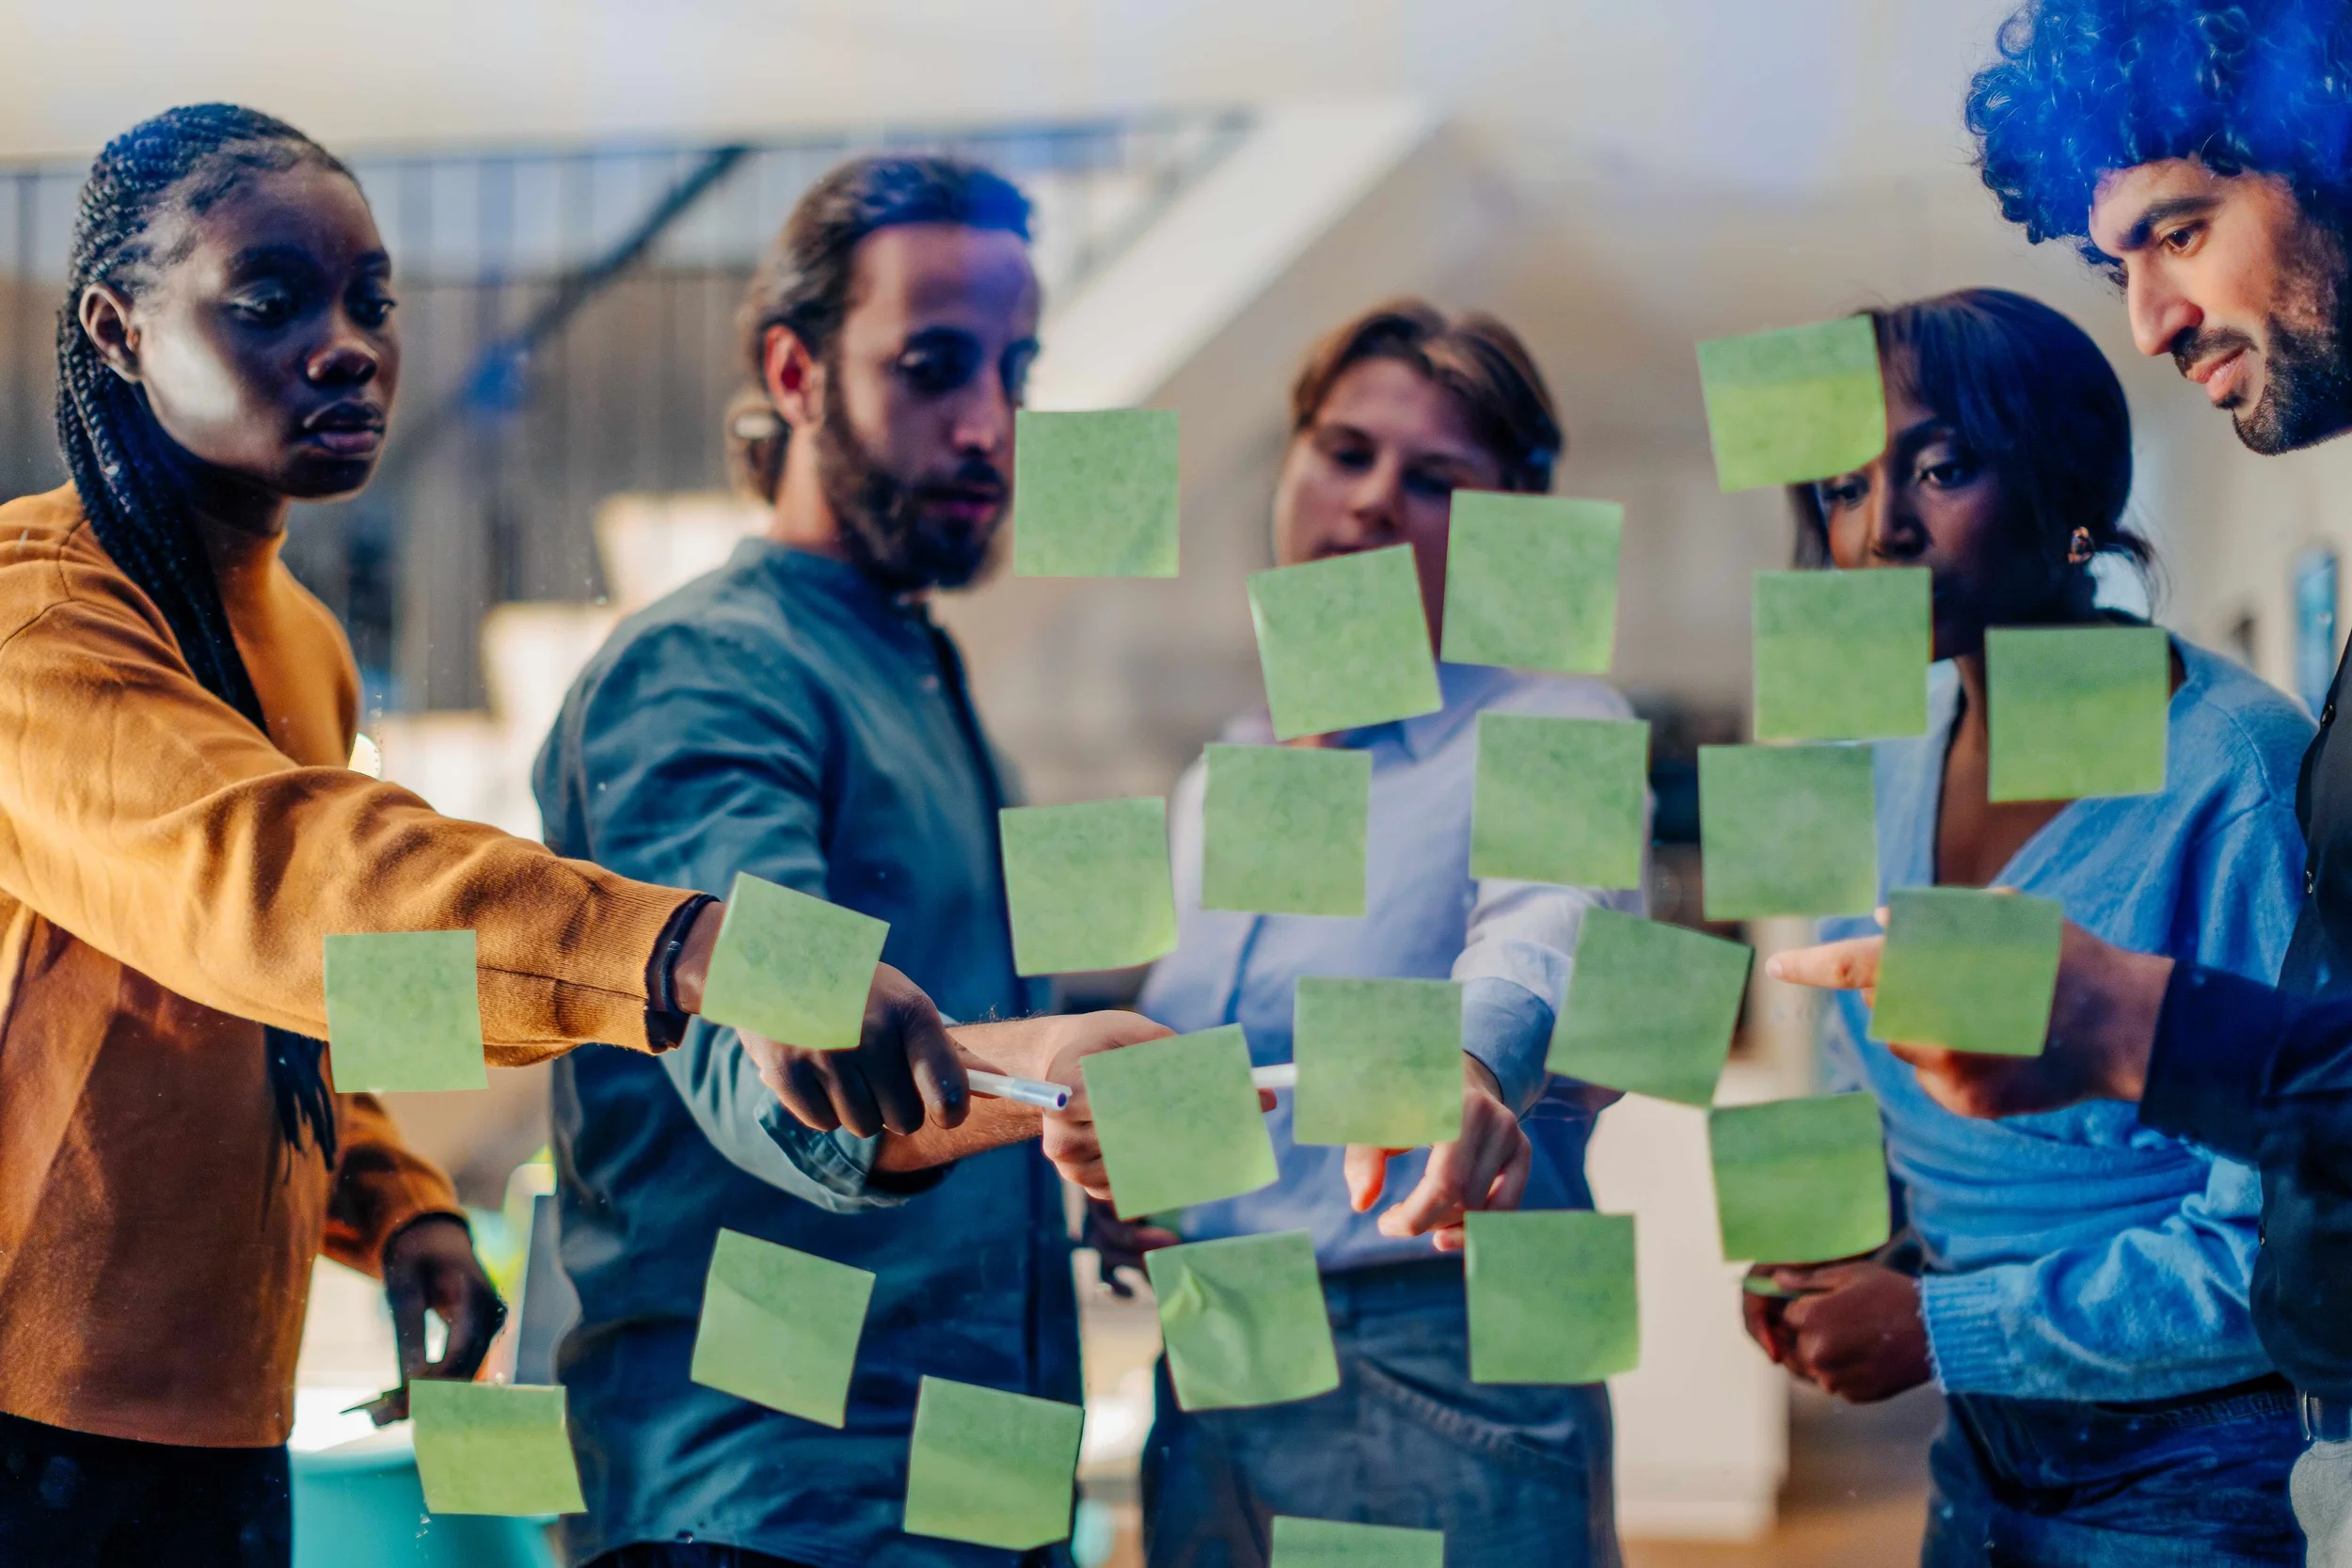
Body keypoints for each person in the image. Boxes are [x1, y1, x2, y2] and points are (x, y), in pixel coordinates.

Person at [0, 107, 1100, 1568]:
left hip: (218, 1414)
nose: (348, 345)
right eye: (272, 302)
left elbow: (261, 1006)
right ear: (116, 330)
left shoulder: (307, 643)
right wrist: (703, 948)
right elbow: (273, 885)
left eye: (373, 302)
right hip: (39, 1405)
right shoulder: (35, 615)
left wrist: (392, 1207)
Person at [1762, 5, 2352, 1559]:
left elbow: (2284, 1221)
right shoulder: (1882, 750)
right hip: (1984, 1459)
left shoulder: (2225, 768)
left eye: (1941, 466)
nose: (1879, 527)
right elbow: (1872, 1063)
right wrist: (1848, 1246)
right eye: (1841, 485)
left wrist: (1945, 1323)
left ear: (2071, 497)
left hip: (2203, 1461)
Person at [534, 155, 1167, 1568]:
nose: (992, 424)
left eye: (1017, 369)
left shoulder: (916, 663)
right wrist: (1056, 1060)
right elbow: (785, 1075)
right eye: (935, 366)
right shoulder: (710, 668)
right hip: (767, 1508)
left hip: (968, 1491)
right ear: (797, 371)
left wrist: (1081, 1136)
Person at [1100, 300, 1635, 1567]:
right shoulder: (1226, 771)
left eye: (1437, 480)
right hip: (1218, 1342)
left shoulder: (1555, 717)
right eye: (1345, 452)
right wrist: (1142, 1175)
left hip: (1436, 1345)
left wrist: (1471, 1061)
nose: (1375, 499)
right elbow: (1235, 1059)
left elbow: (1549, 921)